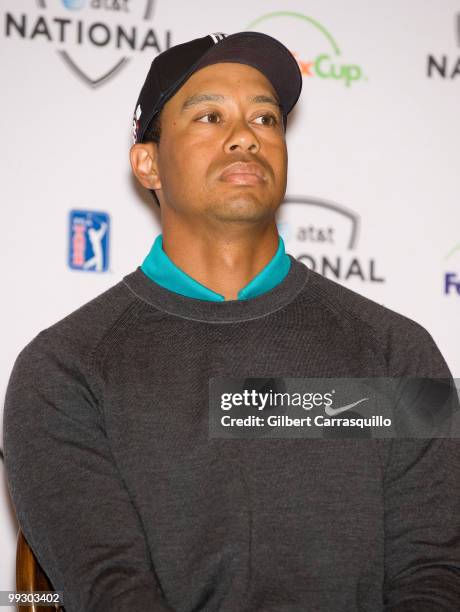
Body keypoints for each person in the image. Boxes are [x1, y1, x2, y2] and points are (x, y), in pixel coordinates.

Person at [3, 31, 460, 612]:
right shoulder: (65, 370)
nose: (246, 136)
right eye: (210, 116)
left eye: (266, 119)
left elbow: (434, 574)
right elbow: (114, 593)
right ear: (148, 163)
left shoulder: (398, 351)